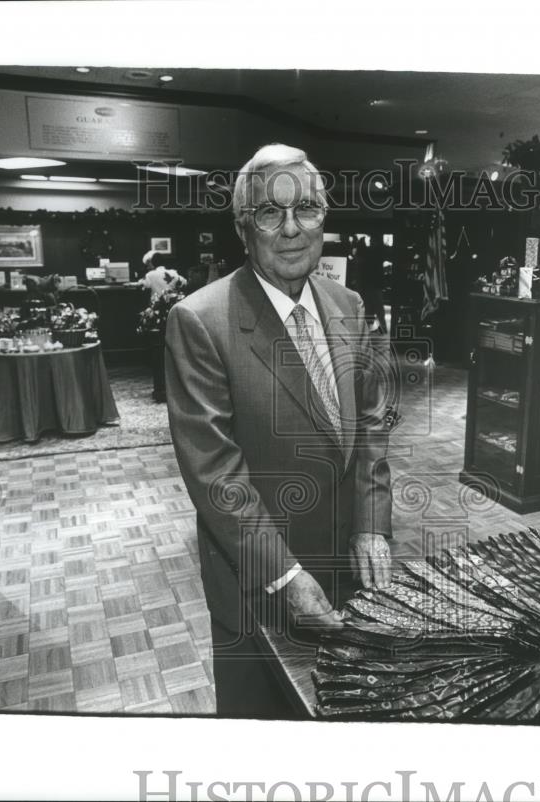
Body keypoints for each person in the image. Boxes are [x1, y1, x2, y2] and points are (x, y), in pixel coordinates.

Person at [165, 143, 394, 718]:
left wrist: (372, 527)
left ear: (325, 217)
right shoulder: (200, 320)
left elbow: (370, 425)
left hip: (349, 574)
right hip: (260, 587)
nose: (291, 229)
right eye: (270, 213)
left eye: (306, 209)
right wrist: (287, 576)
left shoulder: (349, 304)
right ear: (245, 228)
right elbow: (216, 474)